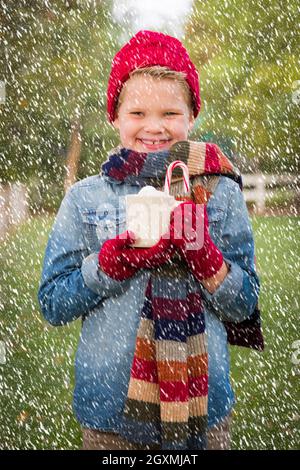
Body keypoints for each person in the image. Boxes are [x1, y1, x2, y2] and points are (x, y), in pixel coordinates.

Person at [38, 30, 263, 450]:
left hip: (203, 416)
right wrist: (108, 266)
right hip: (109, 418)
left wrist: (207, 260)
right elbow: (52, 303)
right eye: (138, 112)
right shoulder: (86, 198)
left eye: (170, 113)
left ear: (192, 115)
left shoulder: (220, 193)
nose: (154, 127)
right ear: (115, 117)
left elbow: (244, 302)